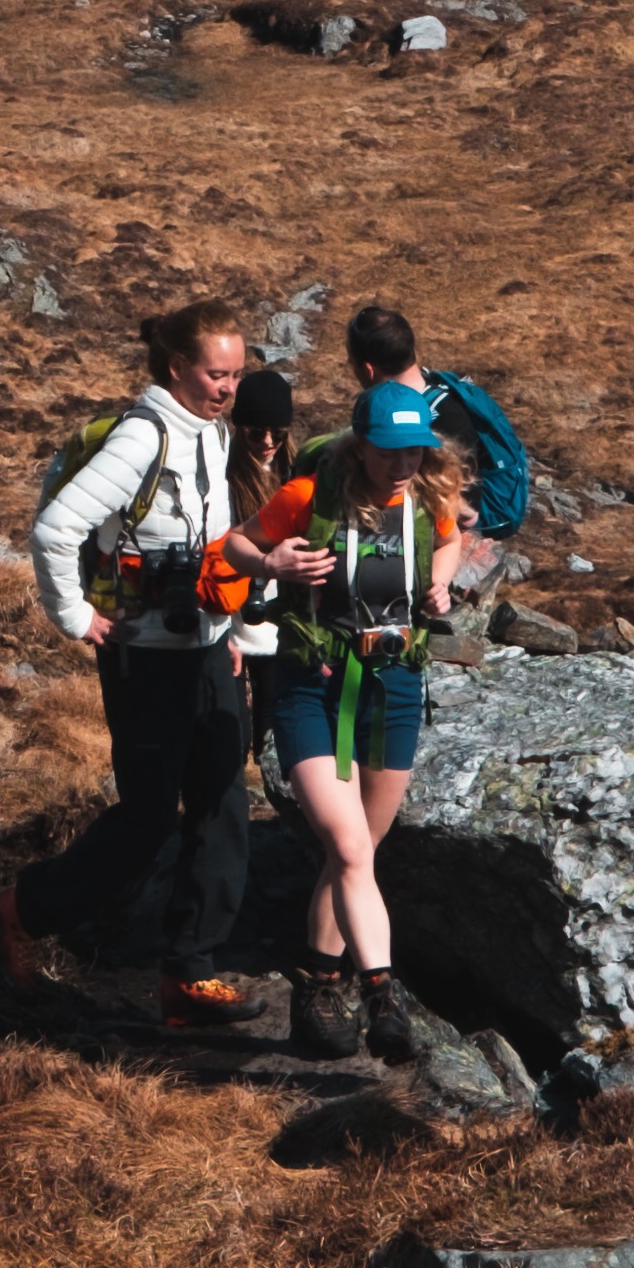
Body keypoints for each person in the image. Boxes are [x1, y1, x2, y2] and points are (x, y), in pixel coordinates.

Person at [0, 298, 261, 1032]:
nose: (228, 387)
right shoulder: (142, 438)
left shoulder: (210, 431)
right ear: (176, 368)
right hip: (143, 655)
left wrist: (230, 629)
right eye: (215, 374)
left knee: (222, 805)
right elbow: (55, 528)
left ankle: (188, 976)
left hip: (205, 646)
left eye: (236, 374)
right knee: (147, 819)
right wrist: (74, 616)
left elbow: (214, 541)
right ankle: (20, 910)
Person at [252, 375, 466, 1061]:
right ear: (359, 445)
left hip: (395, 686)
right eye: (389, 452)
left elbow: (451, 540)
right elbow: (232, 549)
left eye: (415, 451)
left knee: (355, 856)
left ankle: (315, 990)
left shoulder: (428, 497)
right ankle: (380, 991)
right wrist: (271, 562)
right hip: (310, 684)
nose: (403, 464)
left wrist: (440, 581)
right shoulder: (307, 498)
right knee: (348, 849)